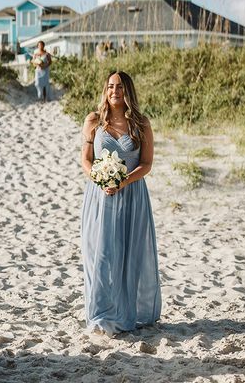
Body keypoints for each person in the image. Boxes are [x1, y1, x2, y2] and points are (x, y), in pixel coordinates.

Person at [80, 71, 162, 336]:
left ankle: (128, 312)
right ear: (105, 90)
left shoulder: (141, 124)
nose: (115, 91)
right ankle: (101, 313)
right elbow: (86, 160)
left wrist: (122, 181)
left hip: (132, 197)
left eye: (120, 87)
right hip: (100, 198)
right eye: (111, 86)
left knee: (129, 255)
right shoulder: (93, 121)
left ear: (128, 91)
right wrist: (101, 179)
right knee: (101, 255)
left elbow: (146, 164)